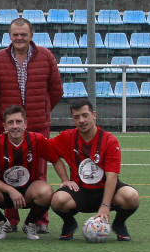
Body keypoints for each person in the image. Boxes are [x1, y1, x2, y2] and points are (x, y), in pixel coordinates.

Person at [0, 17, 63, 233]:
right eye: (15, 34)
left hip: (38, 125)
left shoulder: (46, 56)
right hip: (8, 126)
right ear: (9, 36)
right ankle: (10, 219)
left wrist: (42, 110)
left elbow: (56, 90)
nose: (19, 38)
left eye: (23, 34)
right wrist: (6, 116)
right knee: (7, 171)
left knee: (39, 173)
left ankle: (39, 220)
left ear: (31, 35)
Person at [49, 99, 140, 241]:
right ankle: (69, 223)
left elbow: (112, 177)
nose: (82, 120)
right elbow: (47, 150)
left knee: (131, 196)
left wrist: (105, 205)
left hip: (105, 189)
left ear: (94, 115)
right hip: (81, 191)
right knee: (57, 200)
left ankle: (119, 224)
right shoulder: (67, 137)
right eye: (76, 117)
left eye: (85, 115)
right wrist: (65, 179)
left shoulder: (109, 141)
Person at [0, 105, 67, 240]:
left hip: (28, 191)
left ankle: (30, 223)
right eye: (10, 122)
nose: (15, 126)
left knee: (46, 191)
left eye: (18, 122)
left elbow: (56, 160)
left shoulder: (37, 139)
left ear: (25, 124)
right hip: (4, 193)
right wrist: (10, 190)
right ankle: (2, 222)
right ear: (5, 126)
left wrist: (65, 180)